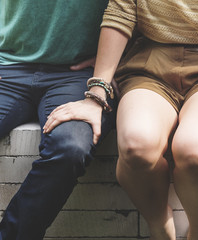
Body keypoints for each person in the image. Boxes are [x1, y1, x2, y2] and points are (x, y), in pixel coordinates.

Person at [45, 0, 198, 239]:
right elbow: (120, 14)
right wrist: (97, 93)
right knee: (137, 146)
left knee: (194, 150)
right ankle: (160, 226)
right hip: (148, 67)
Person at [0, 0, 115, 239]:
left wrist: (116, 61)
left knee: (70, 148)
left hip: (79, 75)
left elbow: (139, 9)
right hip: (7, 67)